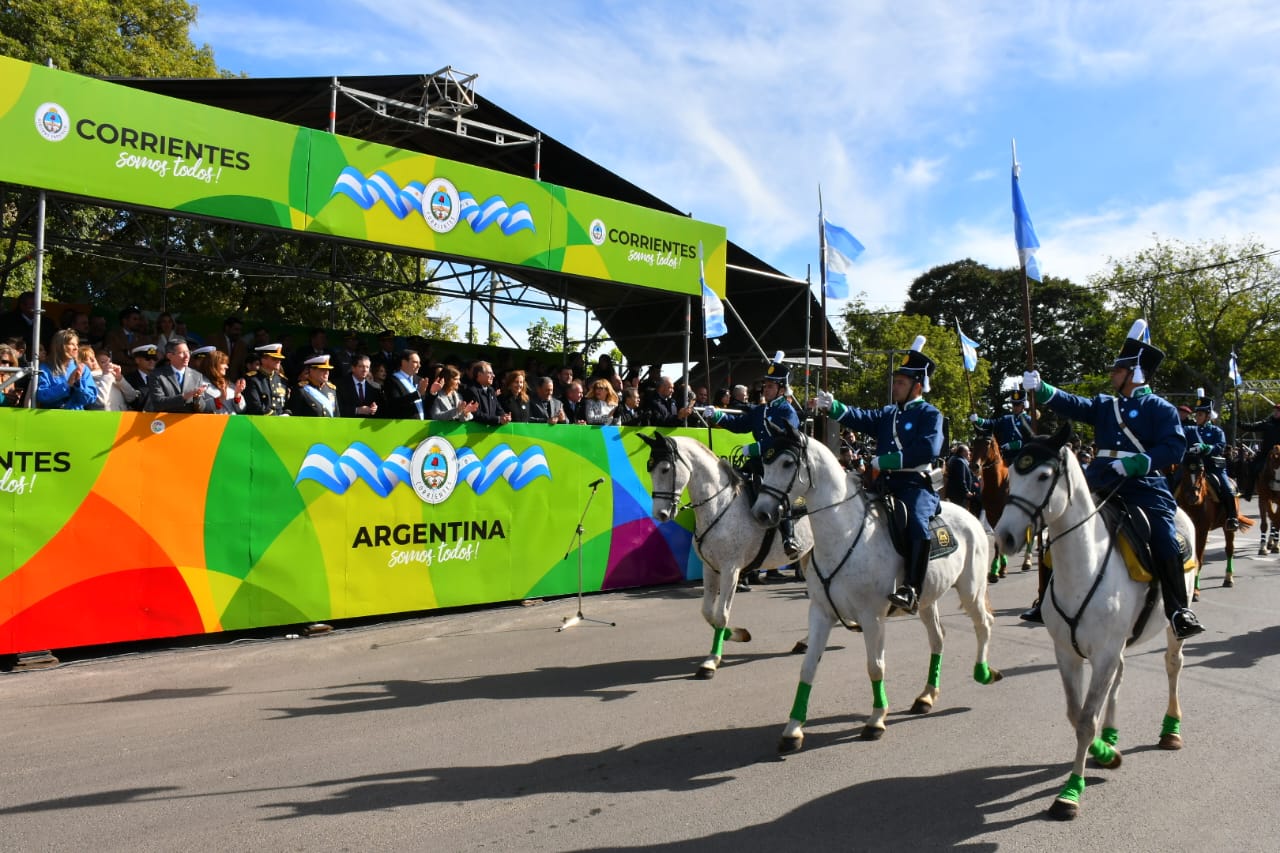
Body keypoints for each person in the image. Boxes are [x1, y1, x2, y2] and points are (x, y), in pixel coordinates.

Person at [1023, 319, 1203, 639]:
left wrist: (1136, 463)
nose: (1112, 375)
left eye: (1118, 370)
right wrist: (1043, 389)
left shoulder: (1160, 408)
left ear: (1135, 372)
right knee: (1059, 528)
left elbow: (1174, 447)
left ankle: (1178, 610)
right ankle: (1045, 600)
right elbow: (1076, 405)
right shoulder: (1107, 406)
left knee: (1164, 537)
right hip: (1100, 479)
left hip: (1143, 485)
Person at [815, 336, 943, 613]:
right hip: (883, 484)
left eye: (901, 382)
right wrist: (834, 407)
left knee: (917, 525)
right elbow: (862, 417)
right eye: (895, 381)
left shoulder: (930, 414)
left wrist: (885, 460)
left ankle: (911, 588)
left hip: (913, 485)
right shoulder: (888, 414)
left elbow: (928, 450)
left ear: (917, 386)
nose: (895, 386)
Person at [703, 352, 803, 557]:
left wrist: (757, 448)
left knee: (778, 493)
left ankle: (789, 537)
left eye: (770, 386)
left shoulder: (788, 412)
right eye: (765, 386)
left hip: (780, 463)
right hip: (758, 462)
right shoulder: (760, 410)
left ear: (781, 389)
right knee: (734, 481)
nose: (765, 389)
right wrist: (718, 415)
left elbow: (784, 439)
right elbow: (739, 425)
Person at [1189, 389, 1240, 529]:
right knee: (1174, 481)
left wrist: (1206, 448)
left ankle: (1232, 517)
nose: (1197, 417)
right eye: (1196, 414)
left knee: (1227, 488)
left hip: (1213, 467)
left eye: (1200, 414)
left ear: (1208, 416)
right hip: (1194, 466)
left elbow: (1220, 447)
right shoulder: (1191, 430)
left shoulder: (1217, 431)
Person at [145, 338, 215, 413]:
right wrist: (184, 396)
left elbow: (201, 408)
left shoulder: (197, 376)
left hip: (188, 419)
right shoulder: (157, 375)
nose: (187, 356)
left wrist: (197, 398)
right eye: (182, 353)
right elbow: (158, 403)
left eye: (188, 352)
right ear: (169, 356)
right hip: (166, 419)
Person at [35, 329, 97, 410]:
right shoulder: (45, 368)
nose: (76, 348)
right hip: (52, 416)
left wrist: (78, 385)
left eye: (77, 344)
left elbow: (91, 398)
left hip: (76, 416)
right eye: (72, 344)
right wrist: (67, 385)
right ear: (60, 346)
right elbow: (42, 396)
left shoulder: (82, 369)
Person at [969, 389, 1034, 458]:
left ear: (1023, 405)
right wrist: (978, 420)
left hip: (1023, 455)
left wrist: (1017, 444)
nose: (1015, 407)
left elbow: (1032, 440)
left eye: (1017, 405)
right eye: (1013, 404)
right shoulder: (1006, 419)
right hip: (1006, 455)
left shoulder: (1029, 420)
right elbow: (992, 423)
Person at [382, 349, 442, 420]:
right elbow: (394, 404)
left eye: (419, 362)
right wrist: (417, 393)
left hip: (420, 424)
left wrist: (432, 393)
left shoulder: (420, 380)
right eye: (415, 362)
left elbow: (426, 406)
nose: (419, 365)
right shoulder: (392, 380)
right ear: (404, 362)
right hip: (403, 424)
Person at [1238, 402, 1280, 501]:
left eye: (1278, 411)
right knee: (1252, 467)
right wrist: (1241, 425)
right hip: (1266, 453)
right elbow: (1253, 426)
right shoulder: (1267, 423)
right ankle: (1248, 492)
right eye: (1275, 410)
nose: (1275, 412)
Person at [243, 343, 291, 416]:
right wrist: (275, 416)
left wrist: (286, 413)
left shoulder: (282, 380)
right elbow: (255, 406)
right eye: (274, 358)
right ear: (263, 360)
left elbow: (287, 404)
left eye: (280, 359)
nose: (278, 361)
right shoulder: (252, 379)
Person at [462, 360, 511, 426]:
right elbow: (476, 414)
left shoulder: (491, 390)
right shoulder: (471, 390)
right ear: (479, 374)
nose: (493, 375)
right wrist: (498, 419)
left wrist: (505, 416)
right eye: (490, 373)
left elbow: (498, 408)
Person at [200, 350, 246, 415]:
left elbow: (241, 410)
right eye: (223, 363)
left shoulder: (230, 385)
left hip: (233, 421)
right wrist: (220, 399)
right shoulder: (201, 384)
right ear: (214, 365)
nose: (227, 367)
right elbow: (200, 408)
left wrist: (237, 394)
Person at [945, 444, 980, 513]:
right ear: (963, 452)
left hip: (959, 494)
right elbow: (961, 479)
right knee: (960, 512)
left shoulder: (960, 460)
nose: (970, 452)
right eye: (968, 451)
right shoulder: (959, 461)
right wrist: (966, 491)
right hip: (959, 495)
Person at [0, 291, 36, 356]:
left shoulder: (47, 323)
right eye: (33, 304)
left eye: (39, 304)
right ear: (22, 305)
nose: (37, 307)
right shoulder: (7, 320)